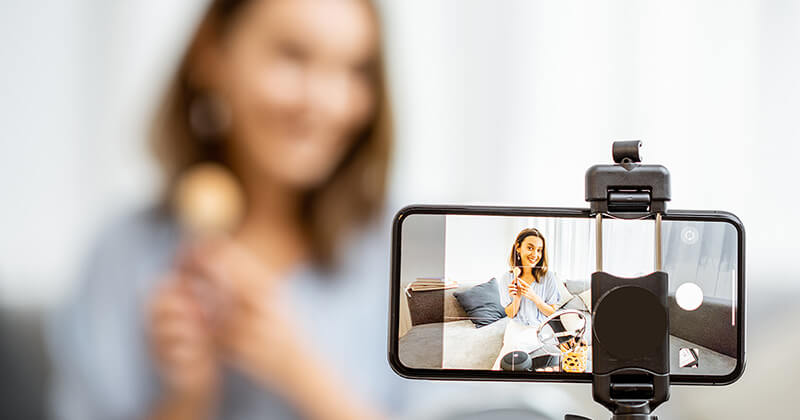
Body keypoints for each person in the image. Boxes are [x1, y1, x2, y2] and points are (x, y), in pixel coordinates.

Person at [47, 1, 403, 419]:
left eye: (356, 69)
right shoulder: (124, 253)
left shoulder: (400, 252)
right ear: (212, 55)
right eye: (293, 55)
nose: (326, 100)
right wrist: (188, 396)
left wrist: (296, 369)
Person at [498, 228, 561, 327]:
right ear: (518, 247)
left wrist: (534, 297)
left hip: (542, 328)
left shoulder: (548, 277)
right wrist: (517, 298)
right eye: (530, 248)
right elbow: (510, 314)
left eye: (539, 250)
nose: (535, 254)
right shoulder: (506, 278)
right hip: (517, 328)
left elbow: (551, 313)